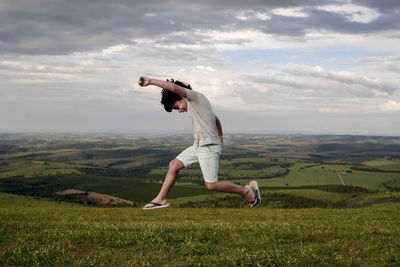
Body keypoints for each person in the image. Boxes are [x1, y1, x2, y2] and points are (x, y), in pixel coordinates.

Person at [138, 76, 261, 209]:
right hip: (198, 146)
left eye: (176, 107)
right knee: (174, 165)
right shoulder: (196, 105)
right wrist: (219, 135)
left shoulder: (195, 97)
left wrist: (150, 81)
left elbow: (173, 88)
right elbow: (215, 118)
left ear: (180, 96)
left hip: (208, 148)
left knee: (211, 185)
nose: (179, 111)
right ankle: (161, 199)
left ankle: (246, 191)